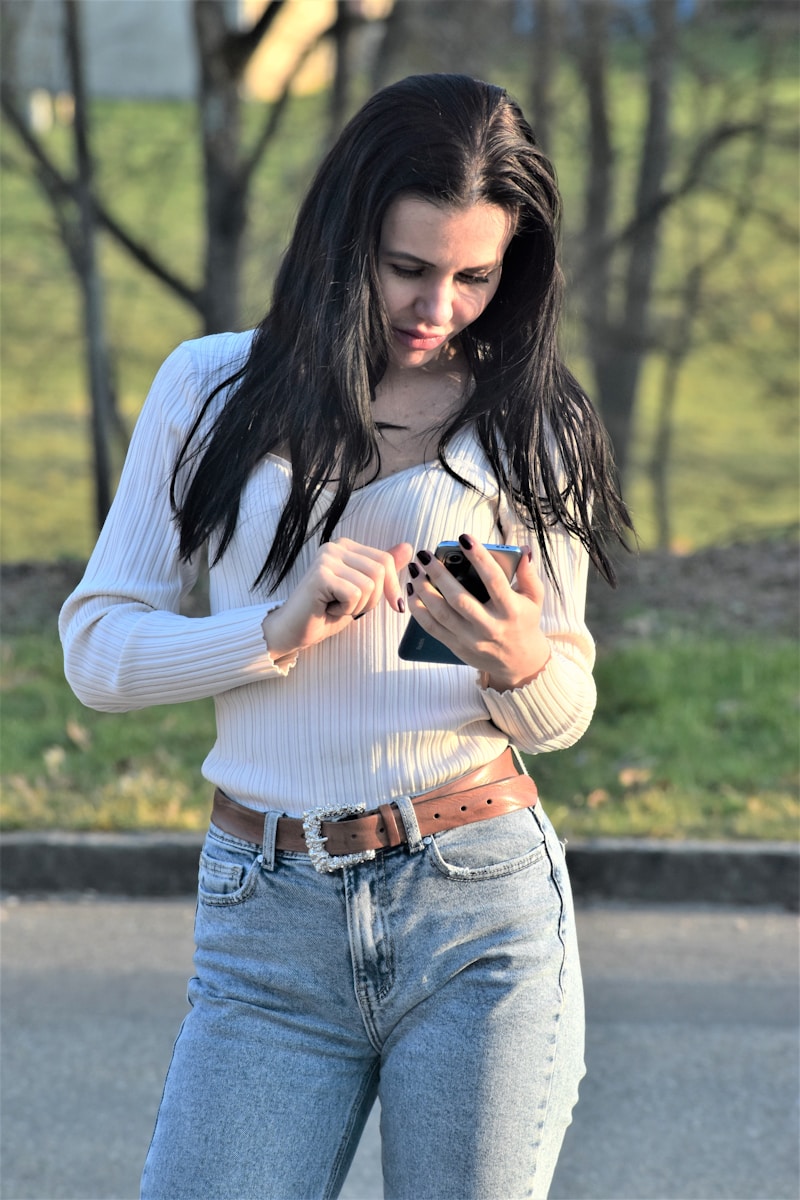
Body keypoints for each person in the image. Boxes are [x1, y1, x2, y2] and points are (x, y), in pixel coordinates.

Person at [60, 73, 631, 1200]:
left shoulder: (533, 422)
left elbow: (561, 707)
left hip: (477, 910)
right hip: (263, 924)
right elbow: (96, 650)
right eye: (407, 268)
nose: (439, 309)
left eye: (476, 276)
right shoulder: (210, 388)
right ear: (341, 243)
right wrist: (264, 635)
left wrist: (513, 660)